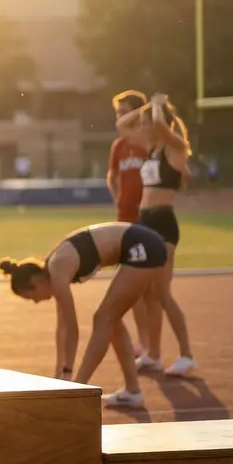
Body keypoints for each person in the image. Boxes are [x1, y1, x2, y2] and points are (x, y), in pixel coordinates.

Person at [0, 221, 169, 408]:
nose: (36, 302)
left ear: (35, 282)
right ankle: (132, 390)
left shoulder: (58, 269)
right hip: (140, 245)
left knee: (103, 318)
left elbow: (72, 329)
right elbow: (61, 327)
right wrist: (58, 373)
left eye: (31, 297)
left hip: (143, 245)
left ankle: (78, 390)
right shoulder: (54, 270)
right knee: (112, 321)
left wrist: (68, 375)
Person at [115, 93, 197, 378]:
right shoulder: (151, 147)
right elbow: (123, 126)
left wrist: (159, 109)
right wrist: (147, 109)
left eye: (147, 123)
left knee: (162, 292)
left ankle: (186, 354)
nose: (143, 128)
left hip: (163, 224)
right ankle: (154, 355)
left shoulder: (175, 146)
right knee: (149, 294)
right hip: (144, 222)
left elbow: (162, 127)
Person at [107, 91, 151, 355]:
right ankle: (144, 343)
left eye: (124, 111)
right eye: (118, 112)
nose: (120, 117)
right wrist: (116, 198)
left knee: (152, 288)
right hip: (124, 219)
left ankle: (152, 345)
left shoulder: (147, 141)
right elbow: (111, 175)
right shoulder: (119, 146)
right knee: (133, 286)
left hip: (147, 218)